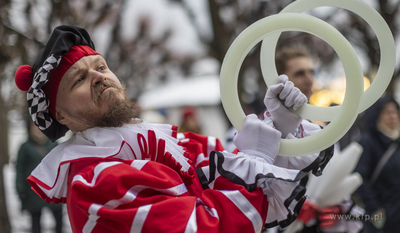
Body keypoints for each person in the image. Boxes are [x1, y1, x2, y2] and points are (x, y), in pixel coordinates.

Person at [14, 25, 332, 233]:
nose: (99, 76)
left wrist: (280, 128)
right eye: (79, 79)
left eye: (100, 66)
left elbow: (228, 168)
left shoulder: (166, 143)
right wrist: (256, 156)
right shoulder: (93, 180)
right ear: (60, 114)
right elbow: (204, 225)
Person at [273, 46, 364, 233]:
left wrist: (335, 210)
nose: (309, 79)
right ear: (279, 80)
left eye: (311, 72)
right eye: (299, 73)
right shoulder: (256, 130)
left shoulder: (318, 131)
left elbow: (334, 177)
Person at [354, 96, 400, 232]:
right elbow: (359, 179)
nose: (393, 116)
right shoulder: (367, 142)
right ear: (376, 115)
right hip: (381, 219)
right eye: (387, 112)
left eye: (395, 111)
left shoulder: (397, 141)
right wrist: (376, 210)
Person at [15, 119, 63, 233]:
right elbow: (19, 170)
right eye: (34, 126)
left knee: (59, 220)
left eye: (39, 126)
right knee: (35, 223)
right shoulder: (25, 147)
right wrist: (20, 189)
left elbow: (62, 166)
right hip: (33, 190)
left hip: (52, 189)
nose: (37, 129)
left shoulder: (53, 144)